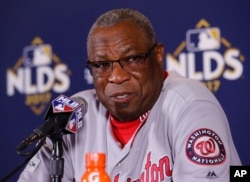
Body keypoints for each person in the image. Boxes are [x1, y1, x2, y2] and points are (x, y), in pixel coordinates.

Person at [18, 8, 241, 182]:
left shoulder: (190, 106)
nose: (116, 76)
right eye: (102, 64)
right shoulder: (76, 114)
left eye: (132, 59)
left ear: (158, 55)